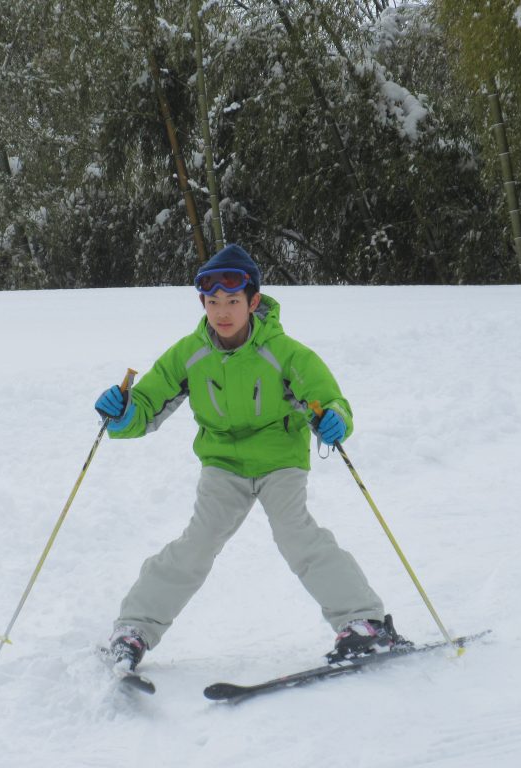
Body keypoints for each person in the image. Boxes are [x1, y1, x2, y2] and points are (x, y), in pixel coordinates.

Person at [94, 244, 407, 670]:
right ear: (202, 303)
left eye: (233, 302)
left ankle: (365, 624)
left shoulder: (284, 352)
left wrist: (334, 419)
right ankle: (133, 631)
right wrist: (121, 411)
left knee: (296, 536)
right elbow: (145, 408)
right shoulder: (189, 354)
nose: (222, 313)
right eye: (213, 302)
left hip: (280, 459)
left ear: (253, 301)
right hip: (223, 464)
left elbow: (328, 398)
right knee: (197, 545)